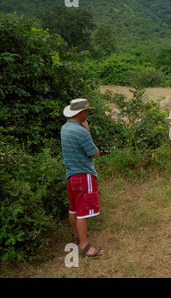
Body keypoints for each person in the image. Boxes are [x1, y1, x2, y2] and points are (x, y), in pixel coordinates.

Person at [61, 98, 105, 257]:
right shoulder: (80, 131)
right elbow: (95, 153)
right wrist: (87, 131)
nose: (87, 114)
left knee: (73, 208)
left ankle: (76, 237)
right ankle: (85, 246)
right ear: (81, 113)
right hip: (83, 175)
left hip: (71, 175)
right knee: (83, 212)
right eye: (86, 111)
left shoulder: (64, 128)